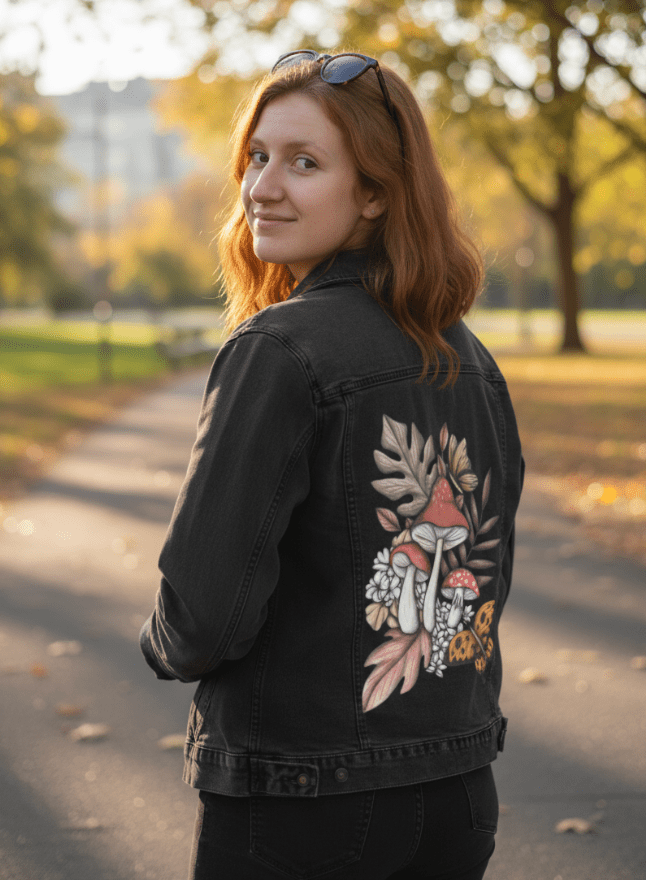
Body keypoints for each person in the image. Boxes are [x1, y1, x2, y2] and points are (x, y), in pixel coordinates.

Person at [140, 50, 524, 880]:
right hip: (458, 795)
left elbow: (202, 619)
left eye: (304, 163)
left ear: (377, 192)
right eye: (257, 156)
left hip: (302, 800)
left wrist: (159, 643)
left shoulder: (279, 349)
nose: (262, 187)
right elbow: (482, 578)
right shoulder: (473, 360)